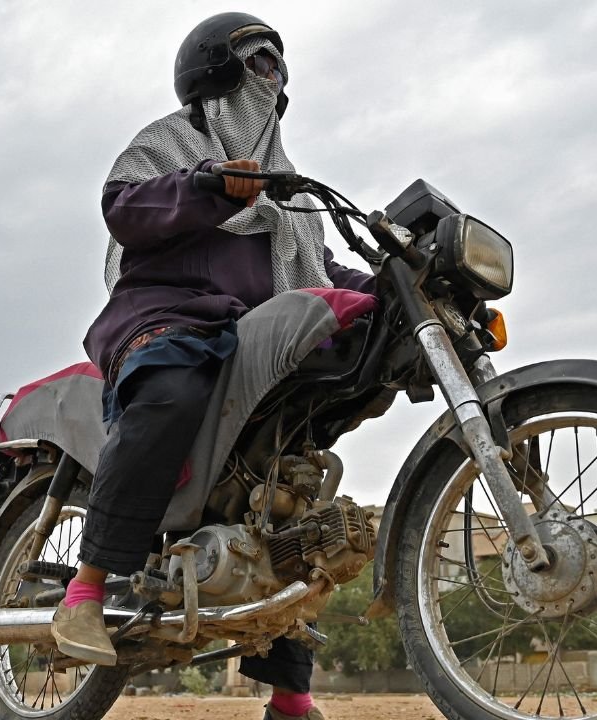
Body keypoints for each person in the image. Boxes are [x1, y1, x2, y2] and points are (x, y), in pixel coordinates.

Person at [51, 13, 373, 720]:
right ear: (214, 69)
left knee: (290, 481)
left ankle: (290, 694)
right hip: (168, 314)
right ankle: (87, 588)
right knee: (171, 388)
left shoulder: (288, 194)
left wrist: (397, 286)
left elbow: (320, 272)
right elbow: (123, 206)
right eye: (258, 62)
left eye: (278, 68)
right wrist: (206, 187)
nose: (271, 78)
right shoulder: (172, 143)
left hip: (250, 339)